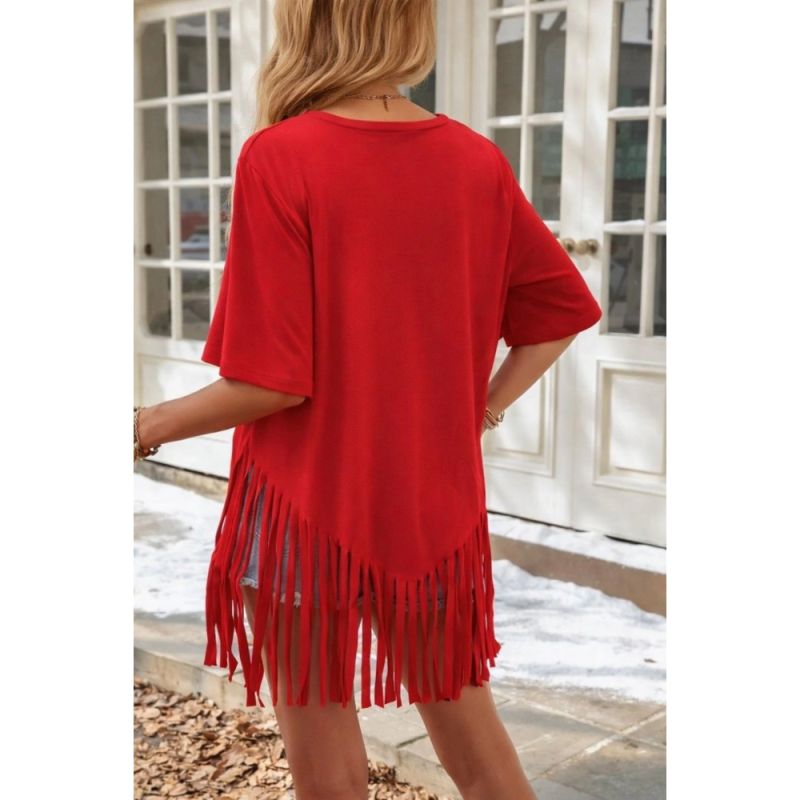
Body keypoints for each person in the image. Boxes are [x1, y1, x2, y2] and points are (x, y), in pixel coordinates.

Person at [133, 1, 602, 798]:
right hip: (430, 508)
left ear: (308, 24)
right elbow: (561, 312)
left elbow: (272, 382)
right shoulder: (475, 160)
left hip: (302, 513)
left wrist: (144, 425)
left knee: (327, 769)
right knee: (478, 749)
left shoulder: (281, 157)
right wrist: (479, 411)